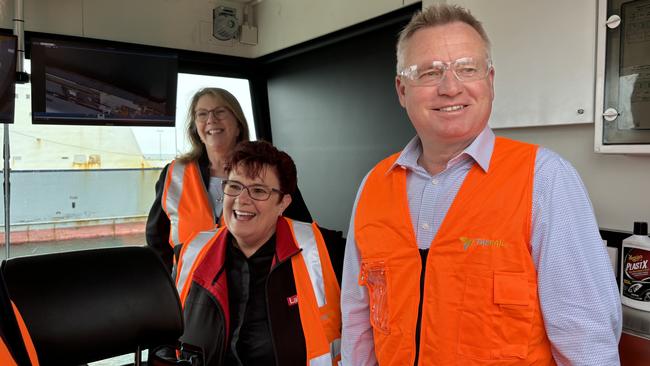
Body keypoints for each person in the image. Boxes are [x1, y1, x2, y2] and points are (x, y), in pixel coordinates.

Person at [340, 4, 622, 365]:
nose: (450, 87)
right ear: (401, 90)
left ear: (489, 81)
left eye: (466, 68)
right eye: (429, 72)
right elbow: (358, 318)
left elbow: (588, 340)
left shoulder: (545, 180)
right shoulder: (374, 185)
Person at [171, 141, 341, 365]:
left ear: (283, 203)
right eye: (234, 186)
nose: (242, 199)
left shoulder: (327, 250)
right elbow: (167, 340)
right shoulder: (190, 252)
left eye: (258, 190)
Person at [146, 88, 312, 272]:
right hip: (189, 293)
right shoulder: (174, 174)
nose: (211, 120)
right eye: (202, 114)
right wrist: (170, 280)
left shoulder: (271, 170)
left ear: (238, 123)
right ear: (195, 128)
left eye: (220, 112)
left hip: (255, 289)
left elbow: (302, 232)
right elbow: (156, 238)